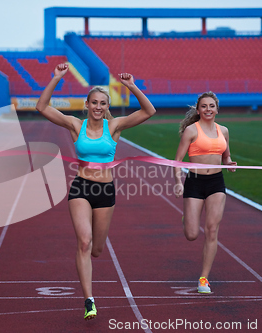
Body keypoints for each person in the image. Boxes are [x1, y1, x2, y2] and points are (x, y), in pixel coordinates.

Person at [36, 63, 156, 320]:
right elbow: (42, 108)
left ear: (107, 107)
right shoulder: (74, 125)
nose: (99, 107)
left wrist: (131, 86)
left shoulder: (114, 128)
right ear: (87, 105)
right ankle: (89, 300)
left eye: (103, 103)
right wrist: (56, 78)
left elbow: (149, 111)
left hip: (105, 190)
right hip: (81, 187)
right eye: (94, 103)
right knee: (84, 242)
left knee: (97, 249)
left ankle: (90, 264)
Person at [173, 91, 236, 293]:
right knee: (191, 234)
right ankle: (187, 219)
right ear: (198, 110)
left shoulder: (223, 131)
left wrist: (229, 163)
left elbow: (226, 156)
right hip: (195, 182)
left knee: (211, 229)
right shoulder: (191, 131)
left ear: (217, 109)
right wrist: (178, 182)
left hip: (216, 183)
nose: (208, 109)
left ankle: (203, 279)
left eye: (211, 106)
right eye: (204, 106)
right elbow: (177, 161)